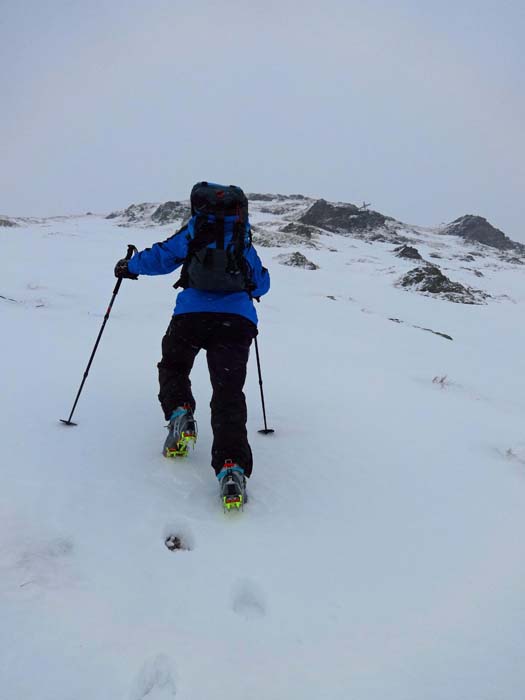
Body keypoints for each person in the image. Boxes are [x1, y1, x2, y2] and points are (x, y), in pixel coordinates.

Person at [114, 182, 270, 509]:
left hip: (191, 316)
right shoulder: (242, 239)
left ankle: (180, 413)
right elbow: (262, 283)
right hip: (236, 322)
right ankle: (232, 468)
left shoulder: (193, 231)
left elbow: (162, 257)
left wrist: (129, 266)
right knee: (228, 393)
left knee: (174, 367)